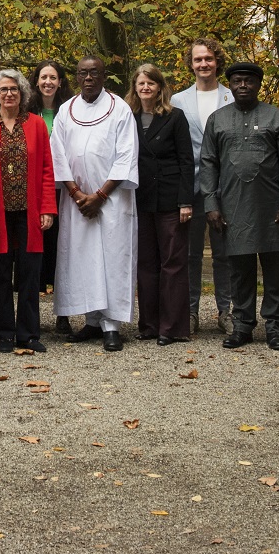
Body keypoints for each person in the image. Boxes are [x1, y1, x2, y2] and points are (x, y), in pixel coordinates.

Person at [198, 60, 279, 351]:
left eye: (249, 81)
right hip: (232, 205)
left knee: (273, 270)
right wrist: (211, 203)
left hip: (271, 206)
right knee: (239, 269)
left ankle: (275, 327)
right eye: (238, 81)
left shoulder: (275, 116)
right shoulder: (218, 119)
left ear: (258, 84)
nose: (243, 86)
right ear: (230, 85)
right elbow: (208, 163)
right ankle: (242, 325)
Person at [49, 56, 140, 351]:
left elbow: (127, 154)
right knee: (82, 257)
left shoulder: (120, 109)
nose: (88, 78)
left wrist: (99, 195)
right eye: (83, 73)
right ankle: (91, 320)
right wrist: (77, 194)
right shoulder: (66, 110)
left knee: (112, 257)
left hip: (112, 200)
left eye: (94, 73)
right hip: (76, 203)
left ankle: (111, 325)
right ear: (75, 77)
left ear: (104, 76)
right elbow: (58, 155)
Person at [0, 69, 57, 353]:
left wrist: (47, 207)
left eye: (14, 89)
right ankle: (5, 333)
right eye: (4, 90)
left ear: (22, 94)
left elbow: (46, 168)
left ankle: (29, 334)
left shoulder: (35, 125)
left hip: (30, 210)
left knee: (31, 273)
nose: (9, 94)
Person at [128, 63, 194, 345]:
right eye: (141, 84)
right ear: (135, 88)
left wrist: (185, 201)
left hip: (170, 199)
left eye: (151, 84)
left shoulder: (175, 117)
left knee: (173, 262)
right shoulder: (126, 117)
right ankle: (149, 325)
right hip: (140, 199)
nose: (146, 88)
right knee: (146, 264)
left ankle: (173, 327)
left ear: (159, 87)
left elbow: (186, 161)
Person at [178, 38, 235, 335]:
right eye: (198, 59)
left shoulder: (232, 98)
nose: (204, 64)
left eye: (209, 59)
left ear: (217, 62)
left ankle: (227, 311)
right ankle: (189, 312)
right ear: (191, 63)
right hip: (190, 188)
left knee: (225, 251)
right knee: (190, 253)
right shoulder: (177, 101)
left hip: (226, 188)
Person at [27, 60, 70, 332]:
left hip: (64, 191)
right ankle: (32, 318)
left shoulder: (70, 111)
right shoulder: (27, 112)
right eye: (43, 77)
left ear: (60, 81)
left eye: (53, 77)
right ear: (36, 81)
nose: (48, 82)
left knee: (62, 252)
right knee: (34, 255)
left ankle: (63, 315)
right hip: (33, 191)